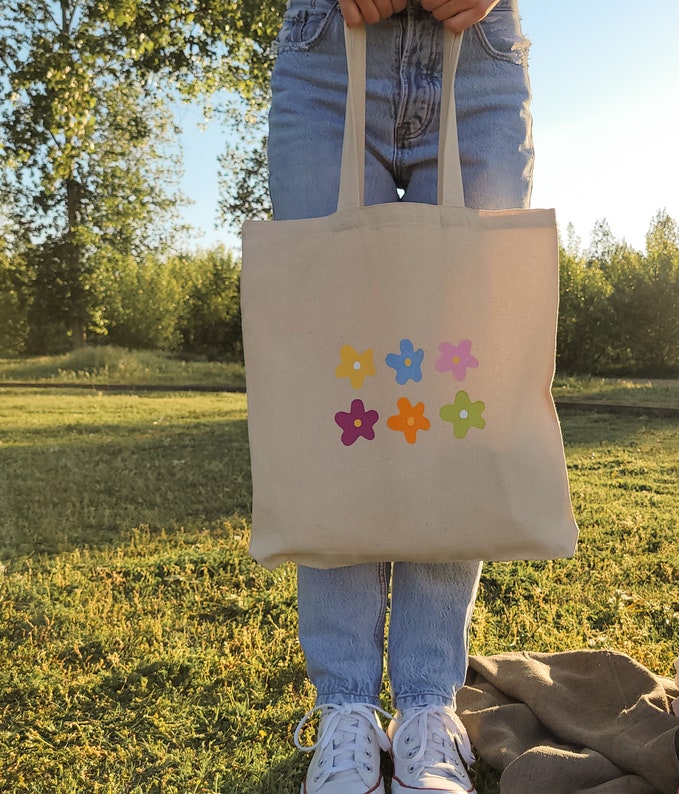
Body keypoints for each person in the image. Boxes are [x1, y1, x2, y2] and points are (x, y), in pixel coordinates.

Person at [265, 0, 534, 788]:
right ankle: (347, 708)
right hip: (327, 49)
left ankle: (425, 707)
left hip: (478, 53)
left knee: (462, 394)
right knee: (332, 391)